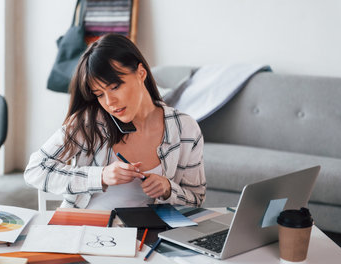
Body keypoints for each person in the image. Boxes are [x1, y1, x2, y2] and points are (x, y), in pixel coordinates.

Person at [24, 33, 206, 210]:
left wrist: (168, 189)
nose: (110, 102)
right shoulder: (89, 122)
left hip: (146, 234)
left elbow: (196, 199)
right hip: (86, 228)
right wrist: (100, 176)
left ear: (141, 73)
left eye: (115, 87)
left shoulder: (185, 130)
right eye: (99, 94)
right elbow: (35, 170)